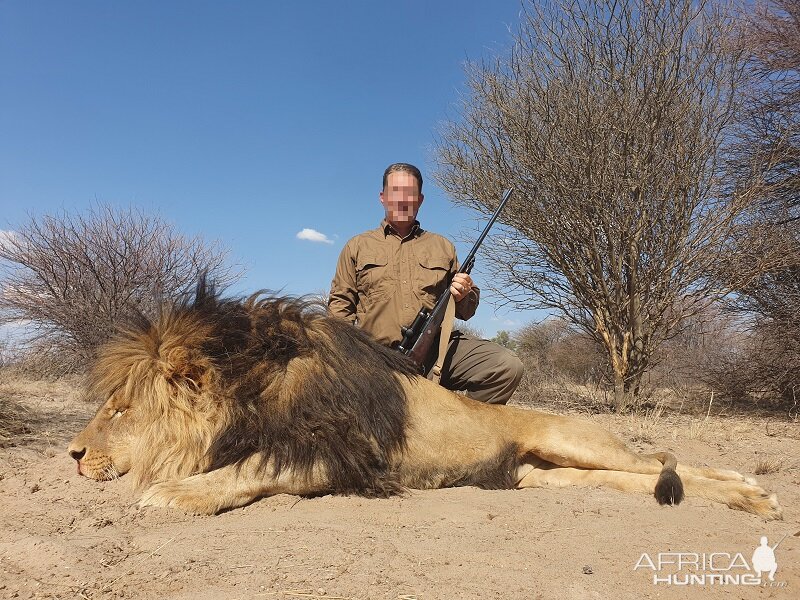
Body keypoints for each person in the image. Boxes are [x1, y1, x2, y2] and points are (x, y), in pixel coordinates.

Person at [328, 162, 523, 404]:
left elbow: (467, 310)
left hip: (434, 353)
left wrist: (465, 294)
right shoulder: (356, 246)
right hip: (376, 357)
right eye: (395, 192)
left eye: (409, 193)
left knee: (506, 366)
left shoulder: (442, 246)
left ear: (420, 200)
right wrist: (344, 360)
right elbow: (340, 308)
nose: (402, 200)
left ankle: (461, 435)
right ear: (383, 197)